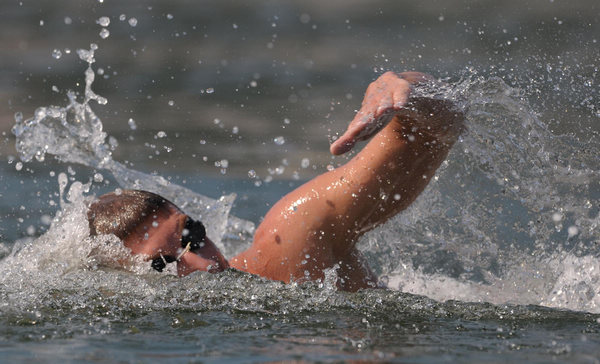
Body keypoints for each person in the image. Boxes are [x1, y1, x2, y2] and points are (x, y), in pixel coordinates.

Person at [87, 71, 464, 291]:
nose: (205, 264)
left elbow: (442, 124)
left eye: (192, 236)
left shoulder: (291, 244)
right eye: (163, 266)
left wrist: (406, 90)